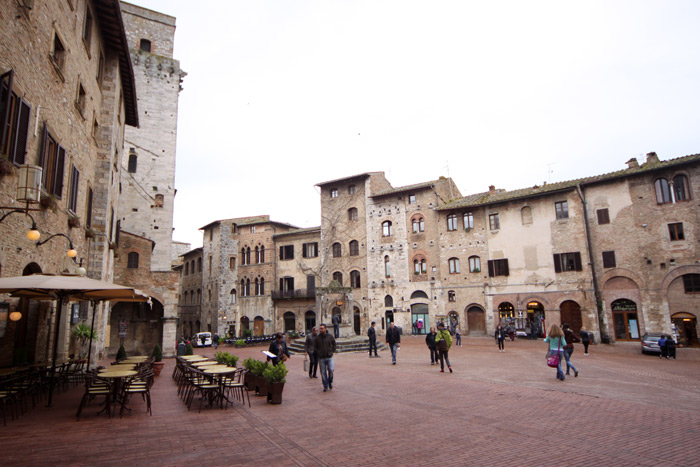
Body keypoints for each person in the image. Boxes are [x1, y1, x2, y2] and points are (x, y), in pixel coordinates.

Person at [314, 323, 336, 392]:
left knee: (331, 370)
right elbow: (315, 347)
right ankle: (325, 386)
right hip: (321, 358)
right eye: (320, 328)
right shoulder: (317, 338)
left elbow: (334, 344)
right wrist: (318, 353)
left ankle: (330, 381)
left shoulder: (330, 336)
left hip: (329, 356)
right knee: (323, 372)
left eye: (322, 328)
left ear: (325, 329)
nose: (321, 330)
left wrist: (332, 351)